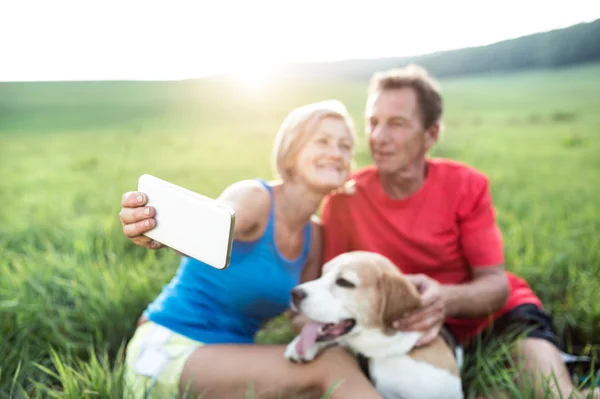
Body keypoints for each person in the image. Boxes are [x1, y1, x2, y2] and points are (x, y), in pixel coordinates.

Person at [317, 65, 599, 398]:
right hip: (402, 335)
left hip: (495, 319)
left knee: (555, 395)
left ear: (432, 134)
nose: (379, 137)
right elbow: (328, 296)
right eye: (373, 122)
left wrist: (444, 299)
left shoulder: (466, 185)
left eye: (397, 124)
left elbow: (496, 285)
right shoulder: (344, 200)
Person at [119, 100, 383, 399]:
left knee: (330, 364)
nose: (336, 153)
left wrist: (364, 318)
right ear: (293, 150)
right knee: (332, 367)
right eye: (322, 141)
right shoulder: (255, 198)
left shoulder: (315, 234)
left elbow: (300, 317)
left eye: (345, 146)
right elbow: (208, 229)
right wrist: (158, 231)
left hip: (228, 359)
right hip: (169, 348)